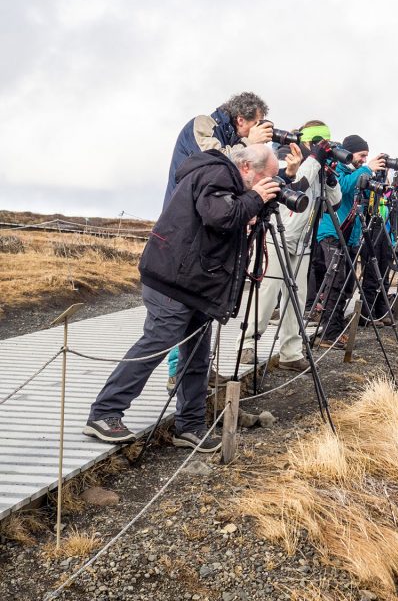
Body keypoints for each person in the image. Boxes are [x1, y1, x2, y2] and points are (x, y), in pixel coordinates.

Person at [83, 146, 281, 450]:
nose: (264, 187)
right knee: (157, 342)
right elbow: (218, 216)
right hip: (173, 280)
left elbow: (220, 223)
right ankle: (105, 413)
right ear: (245, 167)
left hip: (195, 283)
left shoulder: (228, 181)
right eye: (265, 179)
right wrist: (254, 200)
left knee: (197, 357)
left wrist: (251, 209)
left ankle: (189, 426)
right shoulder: (218, 172)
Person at [162, 92, 277, 394]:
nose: (258, 128)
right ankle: (177, 372)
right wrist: (249, 145)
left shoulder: (233, 138)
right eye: (256, 123)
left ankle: (197, 372)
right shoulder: (202, 124)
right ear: (242, 119)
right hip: (187, 225)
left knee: (202, 301)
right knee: (180, 305)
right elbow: (215, 161)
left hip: (212, 226)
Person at [237, 121, 341, 370]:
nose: (320, 149)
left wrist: (330, 177)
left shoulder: (318, 167)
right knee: (267, 293)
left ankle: (290, 353)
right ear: (306, 142)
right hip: (277, 236)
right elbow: (296, 187)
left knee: (296, 297)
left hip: (303, 242)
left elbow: (334, 203)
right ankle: (248, 343)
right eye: (318, 143)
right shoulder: (285, 156)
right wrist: (314, 161)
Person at [313, 135, 386, 344]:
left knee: (346, 284)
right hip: (332, 232)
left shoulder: (355, 172)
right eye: (362, 155)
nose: (364, 159)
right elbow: (341, 188)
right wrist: (367, 169)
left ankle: (335, 325)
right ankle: (329, 333)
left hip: (349, 234)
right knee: (335, 282)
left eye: (366, 157)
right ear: (350, 152)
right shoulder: (335, 168)